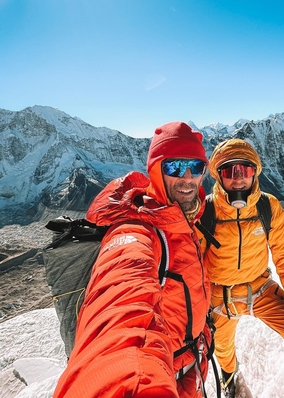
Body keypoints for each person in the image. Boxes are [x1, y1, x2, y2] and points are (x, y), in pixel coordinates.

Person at [53, 122, 213, 398]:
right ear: (155, 170)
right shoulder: (137, 231)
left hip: (191, 372)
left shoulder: (183, 219)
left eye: (196, 167)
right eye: (174, 167)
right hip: (164, 379)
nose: (188, 178)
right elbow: (122, 314)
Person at [198, 139, 284, 398]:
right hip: (218, 297)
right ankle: (229, 378)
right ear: (218, 176)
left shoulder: (267, 208)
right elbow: (192, 263)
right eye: (229, 171)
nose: (238, 179)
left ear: (255, 173)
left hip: (260, 289)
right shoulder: (206, 212)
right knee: (222, 351)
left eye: (245, 170)